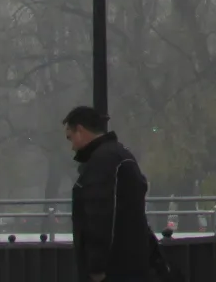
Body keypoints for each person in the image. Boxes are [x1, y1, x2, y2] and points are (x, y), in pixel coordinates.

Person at [63, 106, 164, 282]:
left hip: (114, 268)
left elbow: (100, 216)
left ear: (80, 130)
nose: (72, 147)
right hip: (132, 263)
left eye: (70, 137)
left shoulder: (101, 162)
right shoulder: (121, 155)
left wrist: (96, 266)